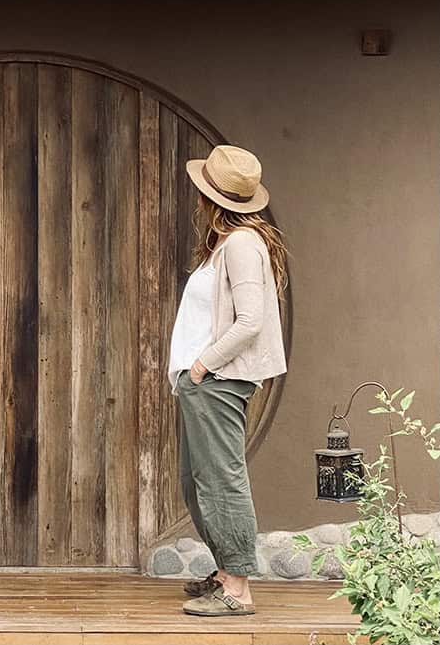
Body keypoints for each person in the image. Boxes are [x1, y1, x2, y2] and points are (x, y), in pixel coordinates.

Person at [168, 144, 288, 617]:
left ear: (210, 197)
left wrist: (202, 365)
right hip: (202, 383)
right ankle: (224, 572)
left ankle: (237, 590)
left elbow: (251, 320)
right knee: (196, 482)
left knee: (221, 482)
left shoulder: (241, 244)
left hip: (217, 380)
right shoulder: (228, 242)